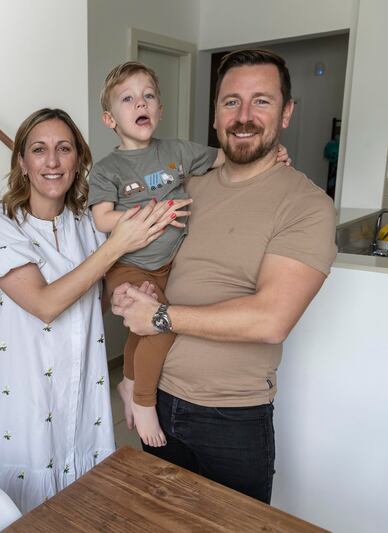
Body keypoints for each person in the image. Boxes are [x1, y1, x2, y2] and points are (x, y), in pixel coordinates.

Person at [111, 49, 337, 504]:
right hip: (158, 400)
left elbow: (270, 319)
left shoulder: (306, 204)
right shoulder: (186, 186)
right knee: (159, 522)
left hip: (231, 418)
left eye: (262, 101)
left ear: (287, 112)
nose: (244, 116)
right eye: (231, 102)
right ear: (215, 115)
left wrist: (159, 317)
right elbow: (138, 247)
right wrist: (125, 292)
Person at [0, 108, 188, 513]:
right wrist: (118, 244)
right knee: (20, 512)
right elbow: (45, 305)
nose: (52, 161)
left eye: (64, 149)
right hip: (22, 403)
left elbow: (89, 298)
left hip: (81, 395)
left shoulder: (86, 223)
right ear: (22, 163)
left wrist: (118, 297)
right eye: (39, 150)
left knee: (81, 510)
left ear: (79, 159)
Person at [88, 61, 290, 448]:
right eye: (128, 99)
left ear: (160, 109)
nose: (140, 103)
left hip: (167, 266)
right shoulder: (108, 168)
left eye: (148, 96)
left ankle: (128, 383)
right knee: (160, 328)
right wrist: (148, 215)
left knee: (143, 326)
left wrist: (272, 154)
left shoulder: (176, 151)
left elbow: (225, 158)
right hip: (130, 265)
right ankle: (143, 400)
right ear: (110, 119)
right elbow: (101, 220)